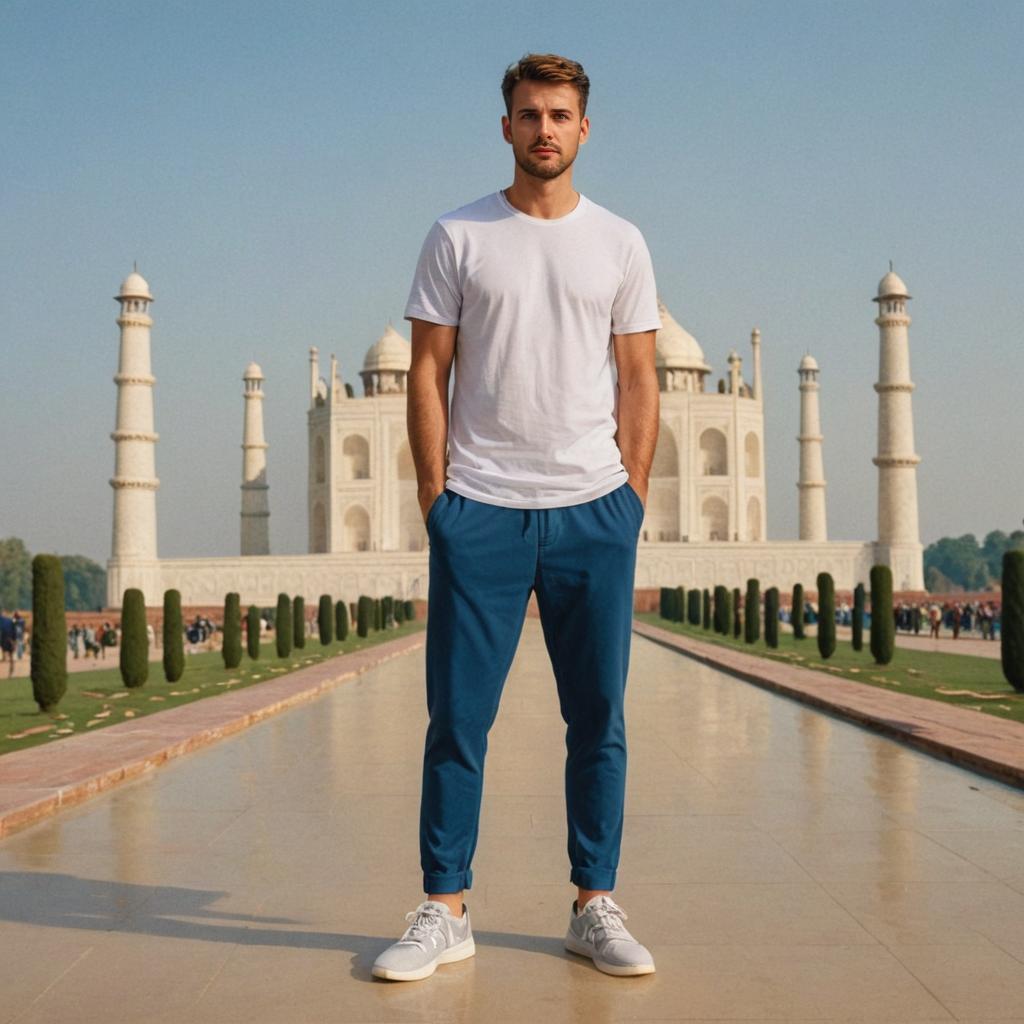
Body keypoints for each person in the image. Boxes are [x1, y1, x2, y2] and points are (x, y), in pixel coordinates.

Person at [372, 53, 660, 983]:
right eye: (530, 113)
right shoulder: (459, 235)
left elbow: (641, 377)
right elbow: (427, 369)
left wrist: (630, 499)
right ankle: (443, 906)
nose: (545, 128)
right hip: (482, 508)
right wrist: (436, 499)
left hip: (592, 508)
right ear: (506, 127)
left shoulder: (620, 241)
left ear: (585, 129)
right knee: (458, 716)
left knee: (599, 716)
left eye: (561, 114)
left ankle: (594, 902)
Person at [0, 609, 15, 677]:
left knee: (6, 656)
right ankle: (10, 672)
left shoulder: (5, 620)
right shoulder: (10, 620)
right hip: (9, 639)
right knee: (11, 656)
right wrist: (14, 641)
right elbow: (14, 631)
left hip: (4, 638)